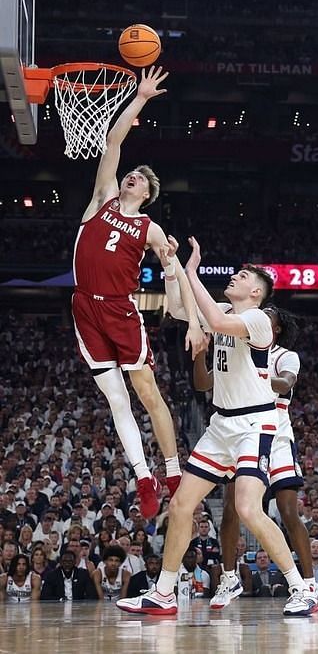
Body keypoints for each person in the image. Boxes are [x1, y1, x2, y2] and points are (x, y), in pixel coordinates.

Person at [116, 237, 317, 617]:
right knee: (180, 506)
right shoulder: (223, 308)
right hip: (221, 424)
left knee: (247, 508)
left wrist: (192, 271)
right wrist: (173, 266)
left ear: (255, 291)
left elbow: (219, 321)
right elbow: (179, 307)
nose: (234, 277)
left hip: (254, 422)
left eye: (242, 276)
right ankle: (163, 593)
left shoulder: (257, 319)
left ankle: (301, 588)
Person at [68, 65, 204, 519]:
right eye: (132, 175)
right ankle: (143, 478)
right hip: (84, 307)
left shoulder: (149, 226)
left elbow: (172, 273)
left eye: (142, 180)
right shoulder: (101, 199)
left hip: (122, 311)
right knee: (116, 399)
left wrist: (189, 312)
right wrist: (141, 97)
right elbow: (113, 141)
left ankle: (171, 471)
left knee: (147, 393)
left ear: (148, 194)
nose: (133, 178)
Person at [191, 304, 318, 609]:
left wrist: (253, 377)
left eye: (266, 317)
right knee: (232, 509)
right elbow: (202, 384)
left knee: (288, 511)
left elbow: (286, 383)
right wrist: (199, 351)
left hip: (276, 436)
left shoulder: (286, 355)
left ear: (273, 329)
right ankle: (229, 577)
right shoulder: (235, 350)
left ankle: (309, 583)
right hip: (244, 434)